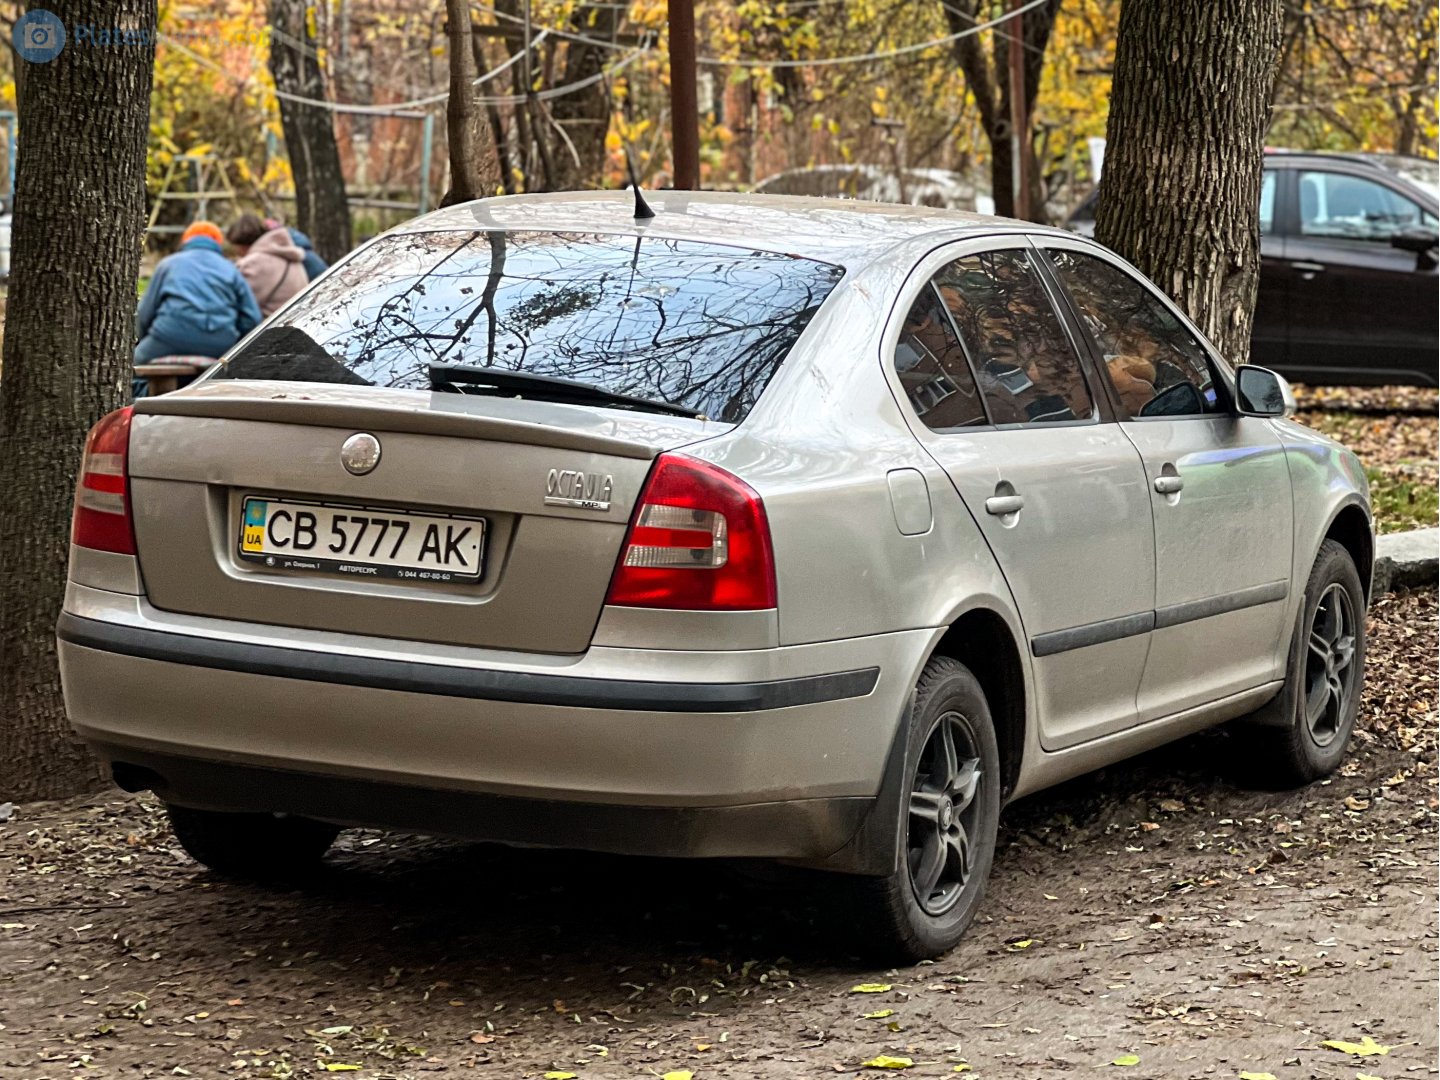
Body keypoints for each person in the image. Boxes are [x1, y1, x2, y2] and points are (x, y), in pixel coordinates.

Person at [134, 221, 262, 362]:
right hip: (219, 343)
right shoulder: (231, 269)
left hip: (170, 337)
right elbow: (252, 318)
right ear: (218, 243)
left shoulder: (168, 264)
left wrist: (144, 337)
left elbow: (145, 311)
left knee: (131, 366)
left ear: (186, 240)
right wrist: (236, 342)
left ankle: (143, 385)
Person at [227, 213, 308, 318]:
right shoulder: (286, 254)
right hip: (298, 320)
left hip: (274, 328)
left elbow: (238, 303)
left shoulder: (253, 264)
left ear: (240, 244)